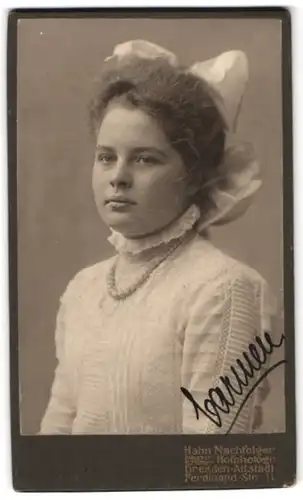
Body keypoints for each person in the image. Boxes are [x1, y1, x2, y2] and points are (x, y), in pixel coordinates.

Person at [40, 40, 276, 435]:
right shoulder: (84, 289)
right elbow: (55, 437)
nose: (118, 175)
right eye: (106, 157)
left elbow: (211, 463)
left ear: (195, 175)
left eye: (145, 158)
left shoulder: (224, 288)